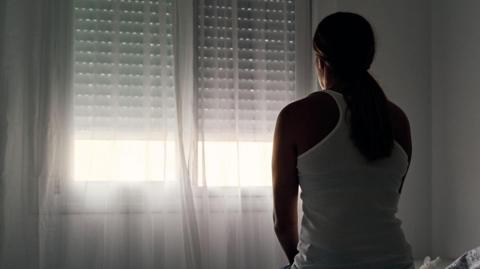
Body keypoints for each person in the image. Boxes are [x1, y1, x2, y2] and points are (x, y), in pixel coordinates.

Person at [272, 12, 414, 269]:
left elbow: (283, 224)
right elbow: (379, 203)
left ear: (320, 60)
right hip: (396, 262)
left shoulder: (295, 116)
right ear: (368, 59)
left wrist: (300, 262)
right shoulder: (398, 120)